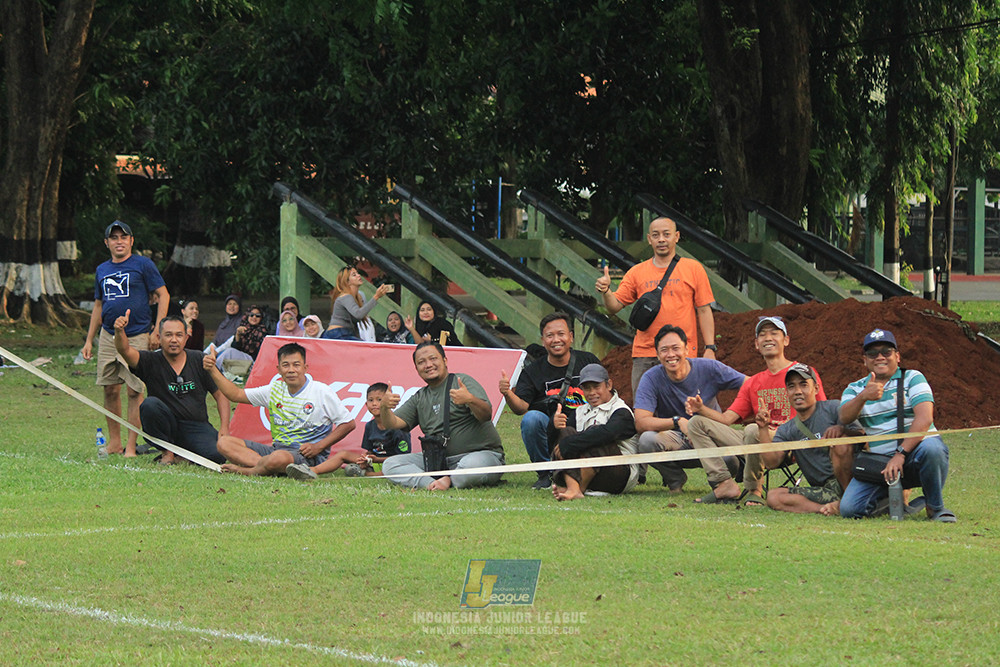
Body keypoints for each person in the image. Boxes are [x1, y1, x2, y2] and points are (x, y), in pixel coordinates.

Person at [683, 316, 827, 506]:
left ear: (786, 340)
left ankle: (754, 489)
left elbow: (821, 411)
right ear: (756, 344)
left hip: (790, 442)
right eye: (763, 335)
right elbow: (727, 419)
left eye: (774, 333)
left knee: (752, 430)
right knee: (697, 423)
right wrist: (701, 409)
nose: (768, 338)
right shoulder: (753, 382)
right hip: (757, 439)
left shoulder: (803, 373)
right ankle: (724, 483)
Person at [838, 329, 955, 522]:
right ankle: (891, 501)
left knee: (933, 447)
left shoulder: (913, 378)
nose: (880, 357)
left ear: (897, 356)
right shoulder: (855, 388)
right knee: (850, 510)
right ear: (864, 360)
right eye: (873, 354)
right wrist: (863, 397)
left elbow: (925, 419)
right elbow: (844, 417)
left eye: (886, 352)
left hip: (913, 455)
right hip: (879, 464)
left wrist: (900, 454)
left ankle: (935, 508)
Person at [595, 217, 716, 395]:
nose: (661, 239)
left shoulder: (693, 269)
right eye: (656, 235)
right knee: (645, 408)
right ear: (649, 239)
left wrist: (710, 347)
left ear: (677, 236)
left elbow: (704, 310)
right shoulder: (637, 272)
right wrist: (606, 291)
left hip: (682, 352)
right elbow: (614, 306)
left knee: (685, 406)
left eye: (666, 234)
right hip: (646, 353)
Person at [80, 220, 169, 457]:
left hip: (137, 335)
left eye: (123, 237)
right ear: (107, 243)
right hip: (108, 336)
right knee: (110, 390)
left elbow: (163, 294)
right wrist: (89, 340)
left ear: (131, 241)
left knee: (134, 390)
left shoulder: (143, 264)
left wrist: (157, 330)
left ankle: (131, 444)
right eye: (114, 238)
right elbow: (99, 305)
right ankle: (115, 443)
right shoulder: (102, 270)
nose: (119, 242)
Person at [203, 341, 355, 476]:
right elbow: (235, 394)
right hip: (276, 451)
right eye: (286, 365)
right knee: (224, 443)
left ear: (305, 368)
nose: (291, 370)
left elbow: (349, 423)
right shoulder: (274, 389)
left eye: (296, 365)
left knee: (279, 458)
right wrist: (212, 370)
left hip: (307, 456)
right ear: (278, 369)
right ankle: (269, 466)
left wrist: (318, 446)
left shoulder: (321, 391)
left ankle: (251, 471)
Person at [633, 325, 746, 503]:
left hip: (711, 440)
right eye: (664, 350)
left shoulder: (709, 368)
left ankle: (721, 484)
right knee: (647, 441)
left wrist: (732, 415)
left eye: (676, 348)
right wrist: (678, 421)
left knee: (730, 460)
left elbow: (750, 385)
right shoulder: (651, 378)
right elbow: (641, 422)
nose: (670, 355)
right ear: (657, 354)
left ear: (687, 349)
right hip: (676, 439)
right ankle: (675, 479)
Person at [378, 342, 503, 490]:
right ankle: (431, 483)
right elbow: (391, 423)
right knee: (390, 465)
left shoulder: (461, 381)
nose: (428, 365)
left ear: (445, 360)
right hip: (438, 460)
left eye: (433, 359)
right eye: (421, 362)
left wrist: (470, 399)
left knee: (470, 466)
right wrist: (384, 407)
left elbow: (486, 415)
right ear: (417, 369)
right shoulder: (420, 397)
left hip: (480, 456)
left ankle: (447, 478)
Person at [497, 312, 600, 490]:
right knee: (531, 419)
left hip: (585, 425)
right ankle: (546, 472)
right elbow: (521, 408)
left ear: (571, 337)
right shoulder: (533, 370)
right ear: (543, 340)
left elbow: (604, 393)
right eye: (550, 335)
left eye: (561, 334)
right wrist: (507, 393)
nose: (556, 340)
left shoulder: (588, 361)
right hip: (551, 432)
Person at [114, 311, 228, 465]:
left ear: (186, 338)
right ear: (159, 338)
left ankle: (183, 454)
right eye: (168, 335)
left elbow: (221, 394)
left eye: (179, 335)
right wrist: (119, 331)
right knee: (149, 405)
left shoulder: (200, 359)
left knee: (219, 455)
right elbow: (125, 351)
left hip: (196, 426)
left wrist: (224, 428)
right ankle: (167, 451)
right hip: (165, 425)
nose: (174, 340)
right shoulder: (150, 360)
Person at [756, 364, 861, 515]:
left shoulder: (833, 408)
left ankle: (849, 500)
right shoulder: (787, 429)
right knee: (773, 496)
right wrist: (763, 428)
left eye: (804, 385)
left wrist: (842, 431)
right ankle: (828, 509)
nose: (798, 391)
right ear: (787, 392)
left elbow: (862, 437)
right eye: (791, 387)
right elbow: (771, 463)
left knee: (841, 444)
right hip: (824, 490)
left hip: (852, 483)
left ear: (816, 389)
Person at [550, 364, 640, 501]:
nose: (592, 392)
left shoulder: (622, 411)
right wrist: (553, 426)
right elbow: (555, 446)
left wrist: (569, 443)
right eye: (587, 388)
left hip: (618, 477)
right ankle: (573, 487)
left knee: (595, 435)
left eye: (596, 386)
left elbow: (607, 433)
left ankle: (576, 488)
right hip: (585, 471)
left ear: (609, 385)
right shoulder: (579, 412)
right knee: (566, 432)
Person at [286, 382, 411, 480]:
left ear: (389, 403)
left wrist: (377, 460)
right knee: (343, 454)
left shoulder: (398, 427)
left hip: (392, 463)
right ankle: (312, 470)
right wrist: (365, 459)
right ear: (366, 404)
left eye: (379, 400)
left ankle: (367, 474)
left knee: (394, 469)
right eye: (371, 400)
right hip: (374, 461)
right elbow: (369, 451)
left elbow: (403, 458)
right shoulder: (369, 426)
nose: (374, 404)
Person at [323, 267, 391, 340]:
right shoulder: (346, 296)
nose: (358, 275)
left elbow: (356, 318)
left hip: (343, 333)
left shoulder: (355, 297)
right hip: (338, 333)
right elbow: (358, 314)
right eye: (354, 275)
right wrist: (376, 296)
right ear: (347, 281)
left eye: (358, 273)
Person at [214, 305, 267, 371]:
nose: (254, 317)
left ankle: (213, 369)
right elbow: (235, 347)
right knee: (227, 353)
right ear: (247, 316)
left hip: (253, 362)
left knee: (229, 352)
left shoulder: (263, 331)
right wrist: (238, 334)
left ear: (261, 317)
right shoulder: (243, 328)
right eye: (251, 315)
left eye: (258, 315)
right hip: (241, 359)